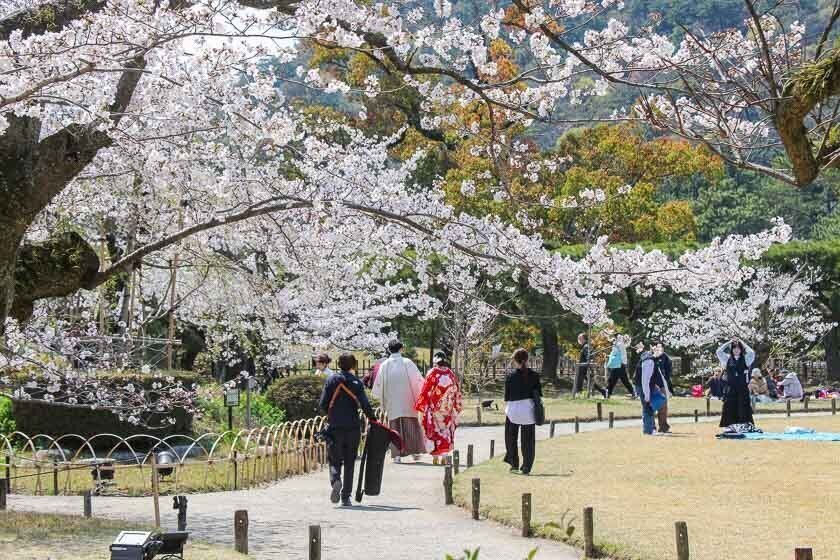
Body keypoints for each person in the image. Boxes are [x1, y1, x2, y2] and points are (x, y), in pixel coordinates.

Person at [318, 353, 375, 506]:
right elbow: (365, 405)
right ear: (353, 365)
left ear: (338, 363)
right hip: (353, 427)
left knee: (334, 459)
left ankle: (336, 480)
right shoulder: (356, 382)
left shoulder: (331, 380)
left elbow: (323, 403)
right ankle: (345, 497)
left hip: (335, 426)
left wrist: (332, 413)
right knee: (350, 461)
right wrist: (373, 419)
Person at [372, 339, 426, 463]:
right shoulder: (407, 362)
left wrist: (381, 400)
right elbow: (418, 381)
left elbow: (378, 384)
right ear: (401, 349)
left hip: (392, 401)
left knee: (394, 427)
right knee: (411, 425)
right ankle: (415, 453)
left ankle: (396, 455)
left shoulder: (384, 365)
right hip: (408, 400)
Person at [415, 352, 463, 465]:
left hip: (435, 407)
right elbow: (456, 391)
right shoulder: (450, 374)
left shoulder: (433, 373)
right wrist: (455, 405)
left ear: (435, 362)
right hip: (448, 408)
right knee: (446, 431)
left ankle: (436, 456)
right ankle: (444, 456)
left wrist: (422, 404)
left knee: (435, 430)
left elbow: (425, 390)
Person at [503, 348, 542, 474]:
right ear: (527, 360)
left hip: (513, 411)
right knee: (528, 441)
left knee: (510, 437)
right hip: (528, 411)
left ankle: (513, 463)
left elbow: (506, 397)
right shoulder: (535, 376)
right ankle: (526, 467)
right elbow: (538, 395)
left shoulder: (510, 376)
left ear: (515, 360)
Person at [716, 339, 756, 427]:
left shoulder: (746, 359)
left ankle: (745, 424)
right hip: (731, 387)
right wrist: (729, 342)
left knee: (744, 406)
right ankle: (729, 425)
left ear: (741, 350)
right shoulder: (727, 359)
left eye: (738, 348)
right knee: (729, 406)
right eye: (734, 348)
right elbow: (718, 351)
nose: (736, 350)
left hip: (742, 387)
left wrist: (742, 342)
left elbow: (752, 352)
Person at [633, 341, 669, 435]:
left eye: (661, 349)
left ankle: (651, 428)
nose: (660, 350)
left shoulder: (652, 358)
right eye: (657, 348)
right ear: (652, 348)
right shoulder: (649, 360)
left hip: (647, 385)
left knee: (653, 405)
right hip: (642, 386)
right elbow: (645, 380)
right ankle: (648, 430)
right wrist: (647, 395)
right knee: (647, 406)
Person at [575, 333, 606, 398]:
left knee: (580, 381)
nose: (578, 340)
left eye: (579, 338)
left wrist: (589, 363)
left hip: (584, 368)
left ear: (583, 339)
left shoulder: (586, 346)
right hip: (584, 367)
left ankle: (578, 394)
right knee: (590, 382)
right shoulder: (586, 346)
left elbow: (588, 356)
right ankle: (603, 391)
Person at [653, 342, 673, 433]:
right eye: (657, 347)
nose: (659, 349)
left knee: (663, 406)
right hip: (651, 385)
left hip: (661, 384)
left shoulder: (665, 357)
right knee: (651, 407)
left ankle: (663, 426)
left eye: (661, 347)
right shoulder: (650, 356)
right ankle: (651, 427)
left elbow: (668, 369)